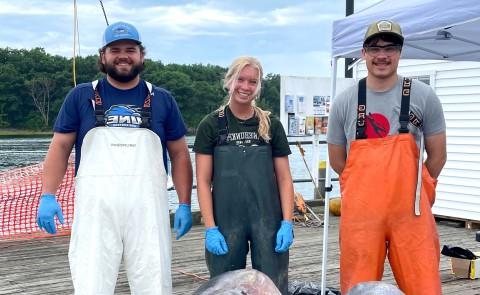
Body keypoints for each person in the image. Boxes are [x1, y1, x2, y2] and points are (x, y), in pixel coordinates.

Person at [36, 21, 193, 294]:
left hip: (148, 210)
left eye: (130, 49)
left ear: (141, 55)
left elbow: (179, 154)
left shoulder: (162, 99)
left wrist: (184, 203)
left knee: (154, 281)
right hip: (96, 210)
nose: (123, 55)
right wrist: (48, 195)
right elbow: (60, 147)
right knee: (91, 281)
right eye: (115, 49)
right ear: (103, 56)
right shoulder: (81, 96)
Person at [327, 20, 447, 295]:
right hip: (361, 218)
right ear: (363, 53)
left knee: (424, 286)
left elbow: (438, 156)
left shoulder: (424, 96)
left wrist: (419, 190)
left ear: (400, 52)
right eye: (374, 48)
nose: (382, 55)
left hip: (411, 215)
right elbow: (338, 161)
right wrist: (363, 194)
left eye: (390, 47)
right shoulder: (344, 102)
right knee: (359, 287)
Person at [193, 56, 294, 294]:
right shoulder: (210, 125)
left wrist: (287, 222)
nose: (245, 87)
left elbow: (284, 179)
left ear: (258, 86)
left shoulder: (271, 124)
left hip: (268, 221)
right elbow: (203, 180)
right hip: (226, 222)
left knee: (273, 284)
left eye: (252, 81)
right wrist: (210, 227)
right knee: (225, 285)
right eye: (240, 79)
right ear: (229, 81)